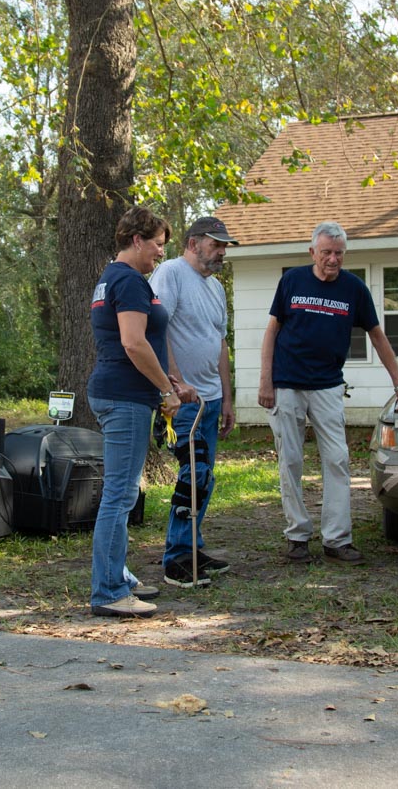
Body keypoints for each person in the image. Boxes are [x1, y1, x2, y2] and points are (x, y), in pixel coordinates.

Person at [259, 222, 398, 563]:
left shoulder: (354, 289)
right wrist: (265, 380)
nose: (333, 259)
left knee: (337, 459)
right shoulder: (292, 281)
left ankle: (337, 539)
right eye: (327, 252)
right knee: (290, 459)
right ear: (312, 252)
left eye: (339, 253)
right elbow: (272, 331)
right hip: (286, 383)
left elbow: (377, 336)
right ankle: (297, 535)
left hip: (328, 385)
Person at [86, 207, 197, 618]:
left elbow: (140, 341)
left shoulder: (110, 278)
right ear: (136, 240)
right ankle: (109, 591)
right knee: (119, 496)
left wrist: (171, 378)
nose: (159, 254)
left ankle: (119, 575)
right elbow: (133, 344)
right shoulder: (130, 281)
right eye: (156, 244)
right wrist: (167, 390)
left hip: (119, 392)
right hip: (125, 397)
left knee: (123, 492)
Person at [151, 215, 240, 589]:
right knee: (194, 476)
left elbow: (220, 344)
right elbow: (157, 328)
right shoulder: (170, 273)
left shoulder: (216, 288)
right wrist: (175, 383)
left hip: (210, 401)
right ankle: (176, 559)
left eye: (224, 245)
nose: (221, 251)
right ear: (192, 243)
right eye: (216, 244)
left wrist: (228, 398)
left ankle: (192, 546)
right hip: (183, 400)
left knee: (205, 478)